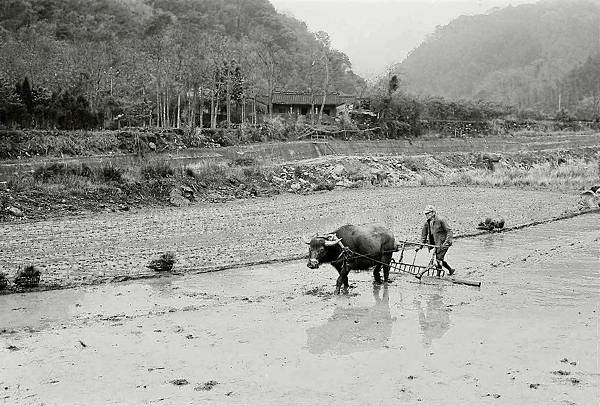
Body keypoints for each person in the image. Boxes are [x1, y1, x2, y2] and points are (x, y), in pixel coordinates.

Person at [415, 205, 455, 276]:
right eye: (426, 214)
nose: (426, 215)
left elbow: (449, 231)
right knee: (439, 259)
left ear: (433, 213)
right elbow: (424, 235)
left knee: (438, 259)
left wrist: (446, 243)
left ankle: (438, 275)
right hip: (436, 243)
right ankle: (450, 269)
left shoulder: (441, 220)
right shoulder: (427, 223)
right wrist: (420, 246)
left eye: (428, 213)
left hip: (443, 243)